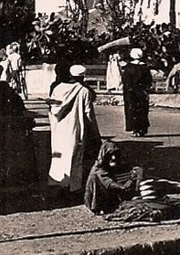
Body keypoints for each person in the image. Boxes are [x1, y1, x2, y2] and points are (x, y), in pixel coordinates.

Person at [48, 65, 102, 200]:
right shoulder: (83, 91)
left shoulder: (58, 88)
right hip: (75, 128)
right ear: (83, 76)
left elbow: (52, 109)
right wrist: (94, 132)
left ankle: (57, 184)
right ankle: (73, 188)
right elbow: (89, 114)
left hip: (59, 129)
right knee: (75, 158)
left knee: (58, 157)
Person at [84, 140, 140, 215]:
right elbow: (108, 182)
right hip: (95, 198)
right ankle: (98, 207)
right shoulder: (98, 169)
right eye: (110, 155)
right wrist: (122, 186)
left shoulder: (110, 164)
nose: (113, 157)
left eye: (115, 154)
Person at [121, 48, 152, 137]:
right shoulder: (145, 67)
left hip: (131, 92)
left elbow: (125, 79)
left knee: (132, 109)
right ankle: (142, 129)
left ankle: (134, 129)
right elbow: (148, 80)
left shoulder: (129, 67)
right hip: (142, 91)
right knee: (142, 109)